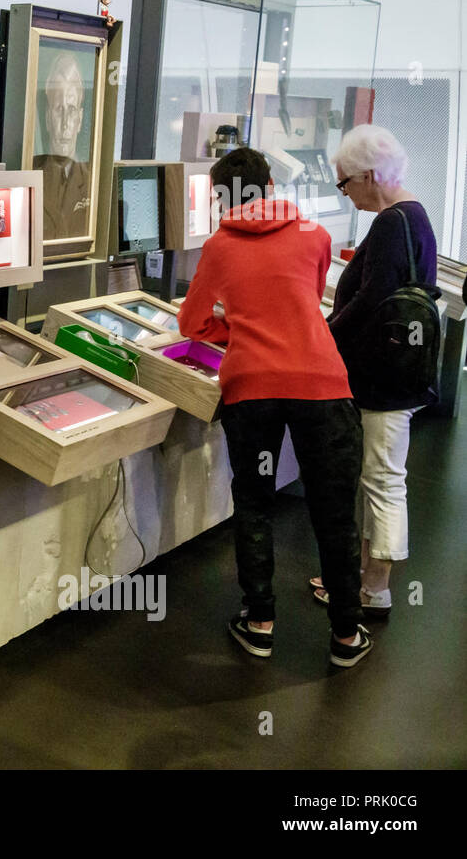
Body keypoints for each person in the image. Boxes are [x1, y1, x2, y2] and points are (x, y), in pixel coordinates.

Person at [178, 146, 372, 668]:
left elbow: (191, 324)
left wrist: (235, 330)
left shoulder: (218, 246)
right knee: (333, 513)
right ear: (269, 184)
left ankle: (260, 622)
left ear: (220, 194)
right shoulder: (315, 235)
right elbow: (304, 305)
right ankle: (347, 635)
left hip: (253, 386)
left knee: (255, 503)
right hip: (322, 383)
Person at [313, 125, 438, 619]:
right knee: (376, 477)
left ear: (368, 175)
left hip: (383, 379)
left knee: (383, 480)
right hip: (396, 372)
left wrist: (323, 334)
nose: (345, 195)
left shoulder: (391, 221)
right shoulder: (415, 214)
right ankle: (362, 576)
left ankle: (374, 590)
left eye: (345, 184)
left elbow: (370, 299)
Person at [32, 52, 92, 243]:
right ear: (48, 119)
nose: (66, 123)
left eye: (72, 110)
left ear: (80, 120)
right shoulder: (28, 173)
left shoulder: (94, 181)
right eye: (59, 110)